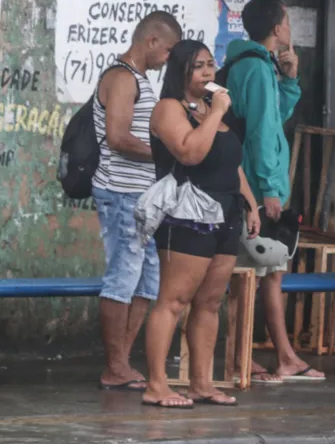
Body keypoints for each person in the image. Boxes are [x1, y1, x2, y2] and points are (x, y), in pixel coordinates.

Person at [141, 40, 263, 408]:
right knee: (174, 300)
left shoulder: (213, 109)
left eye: (211, 64)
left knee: (209, 303)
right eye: (199, 66)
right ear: (181, 71)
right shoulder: (168, 109)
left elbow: (231, 163)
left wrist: (251, 205)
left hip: (226, 213)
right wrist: (215, 113)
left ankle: (201, 383)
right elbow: (191, 152)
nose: (209, 72)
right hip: (188, 215)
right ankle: (157, 384)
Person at [225, 0, 324, 382]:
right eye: (287, 21)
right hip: (255, 185)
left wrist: (289, 79)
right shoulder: (253, 67)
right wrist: (268, 189)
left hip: (256, 182)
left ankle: (282, 356)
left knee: (268, 273)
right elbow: (265, 131)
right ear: (278, 28)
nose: (289, 28)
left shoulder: (254, 65)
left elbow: (274, 114)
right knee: (251, 274)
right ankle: (243, 358)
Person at [92, 11, 182, 391]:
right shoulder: (122, 78)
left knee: (149, 280)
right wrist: (164, 155)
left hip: (143, 197)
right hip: (120, 192)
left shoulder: (141, 81)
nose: (169, 60)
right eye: (169, 51)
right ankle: (114, 366)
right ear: (152, 42)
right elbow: (117, 137)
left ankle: (122, 363)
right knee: (122, 278)